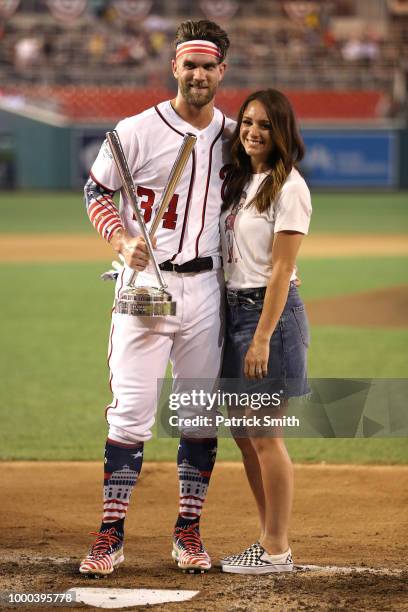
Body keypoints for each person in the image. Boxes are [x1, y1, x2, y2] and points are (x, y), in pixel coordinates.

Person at [79, 19, 235, 576]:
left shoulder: (235, 137)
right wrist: (120, 238)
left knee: (199, 416)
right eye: (188, 64)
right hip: (144, 288)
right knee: (130, 418)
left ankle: (187, 533)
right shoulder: (136, 130)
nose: (197, 74)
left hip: (206, 291)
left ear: (222, 71)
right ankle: (110, 534)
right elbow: (97, 190)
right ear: (174, 67)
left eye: (207, 65)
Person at [219, 89, 312, 574]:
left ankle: (276, 547)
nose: (253, 131)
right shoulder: (239, 180)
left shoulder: (289, 187)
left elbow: (281, 271)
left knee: (265, 434)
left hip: (266, 318)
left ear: (282, 132)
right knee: (243, 432)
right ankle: (267, 536)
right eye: (247, 122)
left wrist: (260, 337)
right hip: (235, 313)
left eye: (265, 125)